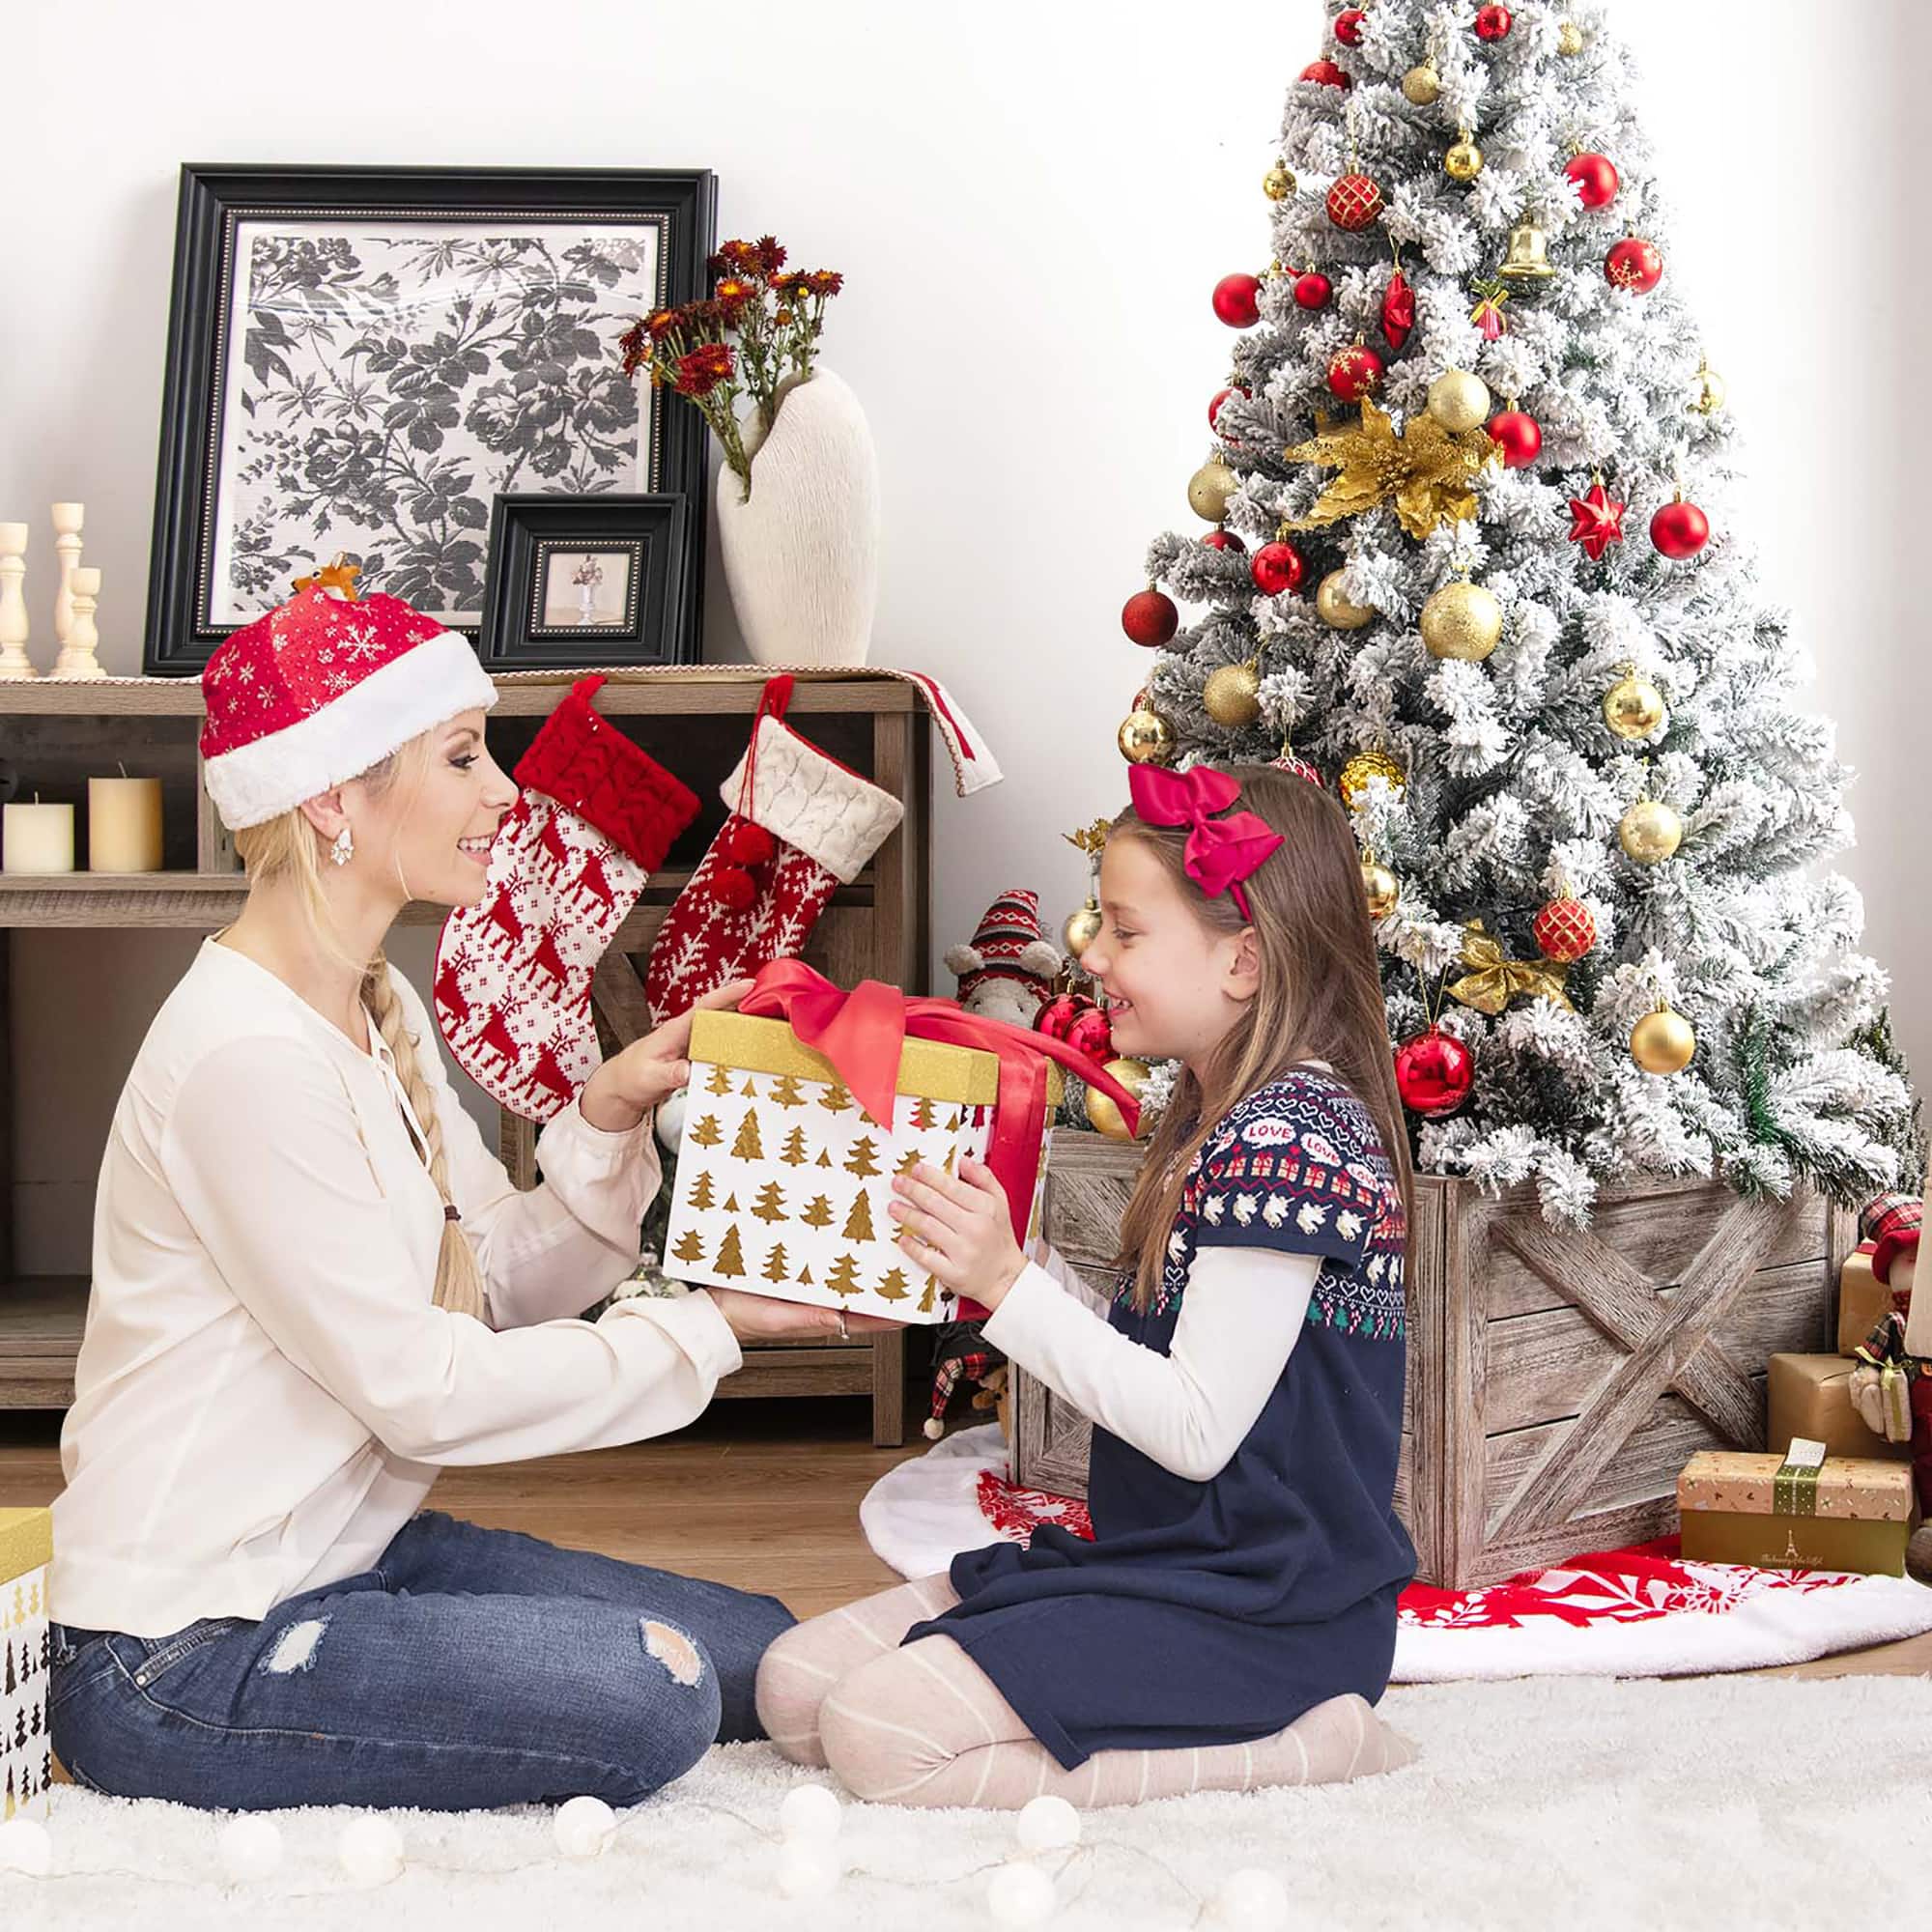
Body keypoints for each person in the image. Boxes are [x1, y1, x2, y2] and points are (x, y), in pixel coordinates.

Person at [46, 583, 890, 1813]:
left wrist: (606, 1112)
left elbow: (491, 1279)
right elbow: (426, 1392)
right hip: (178, 1647)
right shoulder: (246, 1058)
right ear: (332, 798)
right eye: (461, 756)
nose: (503, 791)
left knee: (771, 1650)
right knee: (654, 1694)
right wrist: (704, 1324)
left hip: (342, 1557)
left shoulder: (370, 1002)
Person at [757, 761, 1419, 1806]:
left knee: (877, 1736)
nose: (1093, 956)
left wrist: (1009, 1281)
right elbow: (1149, 1354)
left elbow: (1194, 1427)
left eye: (1125, 931)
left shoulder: (1290, 1139)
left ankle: (1313, 1744)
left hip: (1262, 1608)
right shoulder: (1219, 1117)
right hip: (1156, 1561)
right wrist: (1009, 1261)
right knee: (793, 1689)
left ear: (1242, 960)